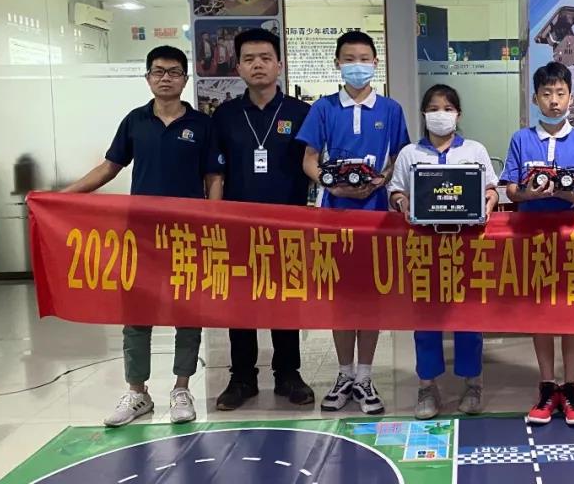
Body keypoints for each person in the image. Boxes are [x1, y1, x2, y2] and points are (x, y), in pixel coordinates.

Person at [62, 46, 209, 427]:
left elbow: (213, 177)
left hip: (187, 235)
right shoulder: (135, 121)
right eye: (158, 71)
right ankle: (137, 392)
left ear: (185, 79)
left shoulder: (202, 125)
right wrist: (62, 197)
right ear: (147, 78)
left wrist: (215, 219)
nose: (165, 78)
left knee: (187, 312)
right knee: (137, 314)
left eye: (173, 72)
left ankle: (181, 389)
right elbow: (109, 167)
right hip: (140, 236)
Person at [298, 30, 410, 416]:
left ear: (376, 63)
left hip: (377, 214)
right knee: (341, 297)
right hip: (334, 214)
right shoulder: (324, 108)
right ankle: (344, 373)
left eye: (364, 59)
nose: (357, 65)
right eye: (349, 59)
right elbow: (309, 159)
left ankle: (365, 375)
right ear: (338, 64)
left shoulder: (390, 110)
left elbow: (399, 157)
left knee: (370, 294)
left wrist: (381, 181)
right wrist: (332, 184)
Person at [206, 28, 316, 411]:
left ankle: (288, 373)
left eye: (266, 58)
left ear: (279, 65)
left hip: (289, 225)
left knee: (286, 300)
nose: (258, 65)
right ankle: (242, 377)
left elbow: (314, 165)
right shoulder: (225, 115)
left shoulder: (301, 113)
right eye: (249, 59)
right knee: (241, 302)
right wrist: (215, 219)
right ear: (238, 67)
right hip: (238, 227)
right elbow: (215, 173)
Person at [502, 61, 574, 426]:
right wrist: (527, 194)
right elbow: (510, 188)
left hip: (573, 238)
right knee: (541, 311)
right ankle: (547, 385)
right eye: (546, 94)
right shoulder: (521, 139)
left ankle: (572, 387)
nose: (554, 101)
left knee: (572, 311)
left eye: (560, 93)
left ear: (570, 97)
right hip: (532, 237)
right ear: (535, 99)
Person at [387, 84, 499, 420]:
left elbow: (491, 188)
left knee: (468, 316)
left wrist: (489, 201)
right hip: (424, 246)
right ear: (424, 114)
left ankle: (473, 383)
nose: (441, 115)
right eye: (434, 108)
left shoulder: (475, 150)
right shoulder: (410, 154)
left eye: (448, 108)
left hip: (466, 246)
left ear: (458, 114)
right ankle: (427, 386)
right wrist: (403, 202)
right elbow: (395, 192)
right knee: (426, 318)